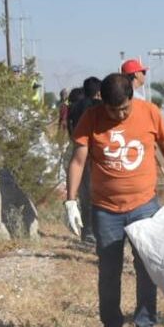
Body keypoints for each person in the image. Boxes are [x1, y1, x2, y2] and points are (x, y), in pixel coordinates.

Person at [64, 73, 164, 327]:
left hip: (144, 206)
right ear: (103, 102)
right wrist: (70, 200)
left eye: (124, 108)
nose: (119, 115)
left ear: (131, 98)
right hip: (105, 210)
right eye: (113, 110)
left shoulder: (149, 112)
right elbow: (78, 161)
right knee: (109, 271)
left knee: (148, 269)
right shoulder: (91, 118)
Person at [68, 76, 103, 244]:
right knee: (95, 194)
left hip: (77, 151)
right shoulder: (96, 108)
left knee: (84, 194)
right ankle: (92, 231)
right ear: (98, 92)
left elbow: (69, 126)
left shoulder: (74, 107)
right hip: (93, 155)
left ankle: (86, 231)